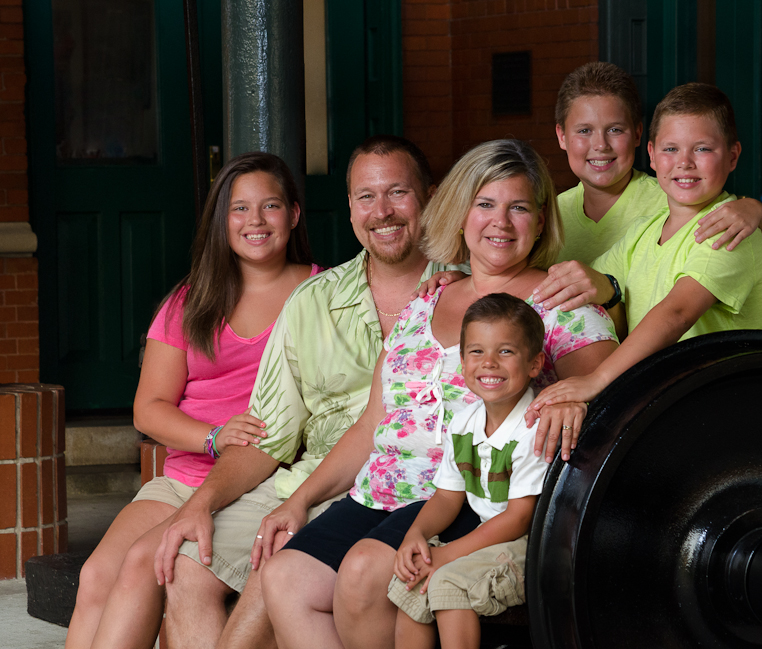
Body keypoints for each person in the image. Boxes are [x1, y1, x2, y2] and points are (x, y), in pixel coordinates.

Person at [254, 139, 618, 649]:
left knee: (362, 575)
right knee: (285, 577)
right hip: (382, 490)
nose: (501, 222)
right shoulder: (426, 302)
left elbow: (605, 425)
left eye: (519, 207)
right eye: (485, 205)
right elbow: (371, 427)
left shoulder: (563, 307)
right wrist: (303, 499)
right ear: (460, 212)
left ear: (541, 221)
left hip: (467, 494)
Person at [151, 136, 459, 649]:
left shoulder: (467, 294)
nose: (382, 211)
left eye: (398, 193)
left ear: (431, 196)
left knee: (269, 589)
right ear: (350, 207)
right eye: (366, 197)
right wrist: (201, 502)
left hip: (406, 492)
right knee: (186, 562)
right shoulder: (312, 301)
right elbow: (269, 434)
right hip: (310, 481)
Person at [65, 152, 320, 649]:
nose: (255, 221)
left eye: (270, 206)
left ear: (293, 214)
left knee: (145, 563)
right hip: (185, 476)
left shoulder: (321, 292)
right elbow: (149, 408)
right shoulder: (192, 299)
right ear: (221, 220)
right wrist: (212, 437)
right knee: (96, 574)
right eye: (239, 209)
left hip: (261, 482)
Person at [530, 82, 762, 416]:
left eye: (702, 149)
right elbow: (594, 286)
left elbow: (676, 313)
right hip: (665, 403)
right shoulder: (644, 232)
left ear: (733, 156)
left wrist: (596, 379)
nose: (685, 163)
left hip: (725, 405)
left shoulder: (729, 229)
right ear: (651, 154)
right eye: (671, 149)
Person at [534, 61, 762, 315]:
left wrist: (754, 209)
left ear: (639, 134)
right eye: (584, 131)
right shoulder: (549, 214)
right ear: (562, 136)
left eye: (615, 130)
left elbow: (755, 236)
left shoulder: (677, 198)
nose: (600, 145)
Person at [388, 293, 549, 649]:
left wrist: (447, 553)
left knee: (447, 582)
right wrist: (416, 534)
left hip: (532, 546)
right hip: (490, 538)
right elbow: (448, 496)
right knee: (411, 581)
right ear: (462, 363)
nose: (488, 363)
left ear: (535, 363)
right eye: (477, 352)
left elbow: (520, 518)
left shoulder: (535, 427)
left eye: (505, 351)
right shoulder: (464, 423)